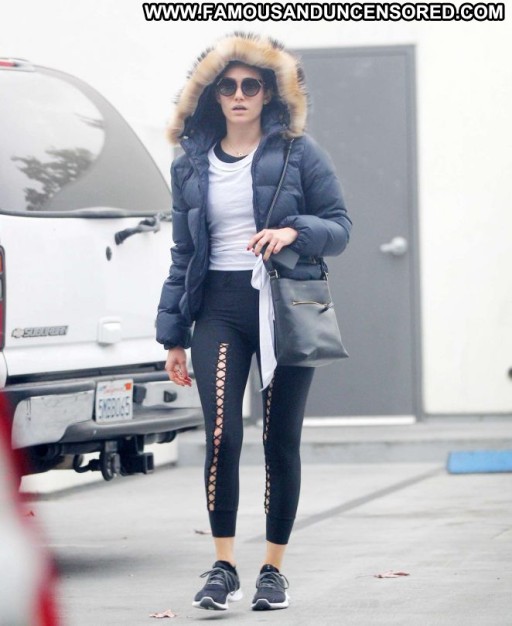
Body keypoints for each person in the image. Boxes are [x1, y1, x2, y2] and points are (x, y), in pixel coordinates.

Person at [156, 32, 352, 612]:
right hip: (218, 308)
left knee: (279, 439)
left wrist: (294, 231)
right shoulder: (190, 165)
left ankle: (273, 570)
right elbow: (182, 254)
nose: (239, 95)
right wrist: (172, 335)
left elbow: (340, 226)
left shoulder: (299, 153)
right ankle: (223, 567)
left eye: (251, 85)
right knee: (222, 435)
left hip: (282, 306)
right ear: (213, 95)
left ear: (269, 93)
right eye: (228, 86)